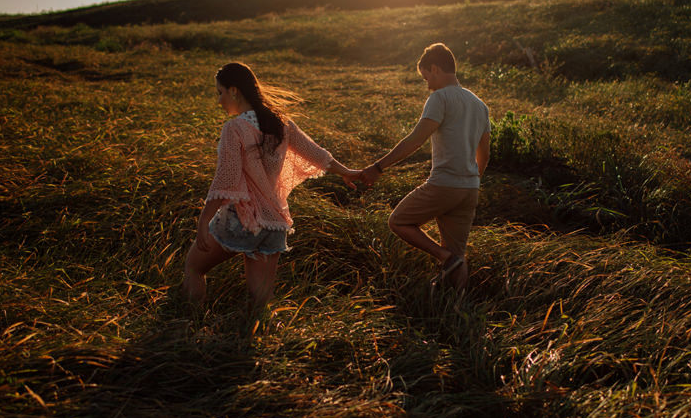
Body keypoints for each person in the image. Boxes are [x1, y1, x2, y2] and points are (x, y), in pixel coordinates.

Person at [182, 62, 361, 310]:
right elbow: (317, 154)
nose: (219, 101)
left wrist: (204, 220)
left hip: (241, 220)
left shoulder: (234, 129)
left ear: (234, 91)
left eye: (220, 93)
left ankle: (189, 323)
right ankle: (256, 338)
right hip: (275, 223)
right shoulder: (281, 124)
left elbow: (226, 179)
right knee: (260, 299)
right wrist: (347, 172)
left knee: (194, 266)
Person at [360, 43, 490, 290]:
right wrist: (472, 181)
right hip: (470, 188)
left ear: (435, 68)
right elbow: (484, 153)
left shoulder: (439, 98)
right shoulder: (479, 104)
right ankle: (456, 308)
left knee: (398, 221)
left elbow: (415, 140)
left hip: (445, 184)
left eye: (426, 77)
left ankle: (444, 258)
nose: (428, 84)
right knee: (459, 256)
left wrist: (378, 167)